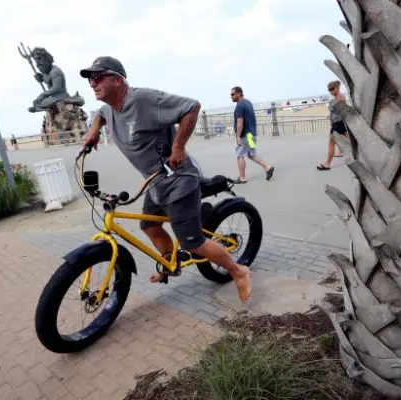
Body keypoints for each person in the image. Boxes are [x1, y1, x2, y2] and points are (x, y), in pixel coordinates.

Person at [79, 56, 251, 303]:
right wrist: (94, 129)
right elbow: (100, 114)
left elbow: (191, 106)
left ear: (117, 80)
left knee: (193, 243)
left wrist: (178, 148)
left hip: (179, 179)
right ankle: (171, 263)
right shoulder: (111, 107)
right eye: (90, 80)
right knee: (149, 225)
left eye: (98, 77)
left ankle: (239, 271)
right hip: (156, 182)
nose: (92, 83)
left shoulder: (142, 100)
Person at [230, 87, 275, 183]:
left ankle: (242, 178)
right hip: (251, 134)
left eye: (232, 94)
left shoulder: (240, 106)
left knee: (240, 155)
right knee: (251, 154)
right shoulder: (248, 102)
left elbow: (240, 122)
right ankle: (268, 167)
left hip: (245, 135)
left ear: (238, 93)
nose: (231, 96)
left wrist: (238, 136)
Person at [317, 80, 349, 171]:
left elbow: (343, 111)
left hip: (338, 124)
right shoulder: (338, 97)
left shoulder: (340, 98)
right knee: (346, 140)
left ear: (337, 88)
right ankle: (353, 154)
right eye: (329, 89)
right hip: (337, 123)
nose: (330, 91)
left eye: (332, 89)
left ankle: (327, 163)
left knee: (331, 143)